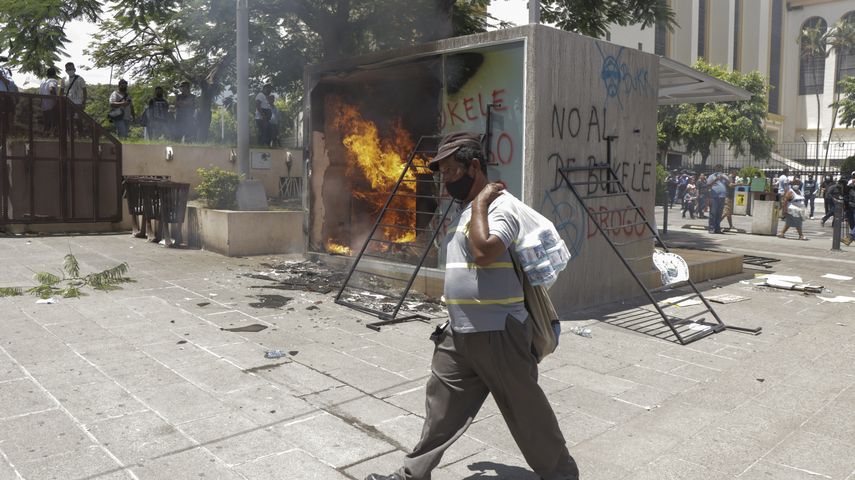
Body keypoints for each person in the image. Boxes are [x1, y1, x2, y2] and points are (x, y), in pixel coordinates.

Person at [365, 132, 579, 480]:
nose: (445, 179)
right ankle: (412, 475)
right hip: (459, 333)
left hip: (498, 333)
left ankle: (562, 475)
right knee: (441, 409)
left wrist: (480, 202)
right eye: (443, 173)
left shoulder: (500, 206)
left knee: (525, 411)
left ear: (474, 166)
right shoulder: (467, 210)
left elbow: (484, 252)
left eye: (450, 171)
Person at [706, 164, 730, 234]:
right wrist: (716, 179)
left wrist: (724, 177)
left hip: (722, 197)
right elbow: (708, 186)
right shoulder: (711, 176)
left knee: (719, 213)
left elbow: (729, 183)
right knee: (713, 213)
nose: (719, 169)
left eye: (720, 168)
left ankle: (717, 228)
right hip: (714, 197)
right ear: (715, 168)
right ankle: (711, 228)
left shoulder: (724, 176)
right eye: (718, 168)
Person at [39, 67, 60, 134]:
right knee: (53, 123)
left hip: (44, 106)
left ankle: (45, 135)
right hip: (52, 106)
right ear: (54, 74)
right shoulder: (52, 81)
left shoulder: (43, 83)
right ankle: (53, 136)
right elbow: (51, 89)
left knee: (46, 124)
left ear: (47, 74)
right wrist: (56, 100)